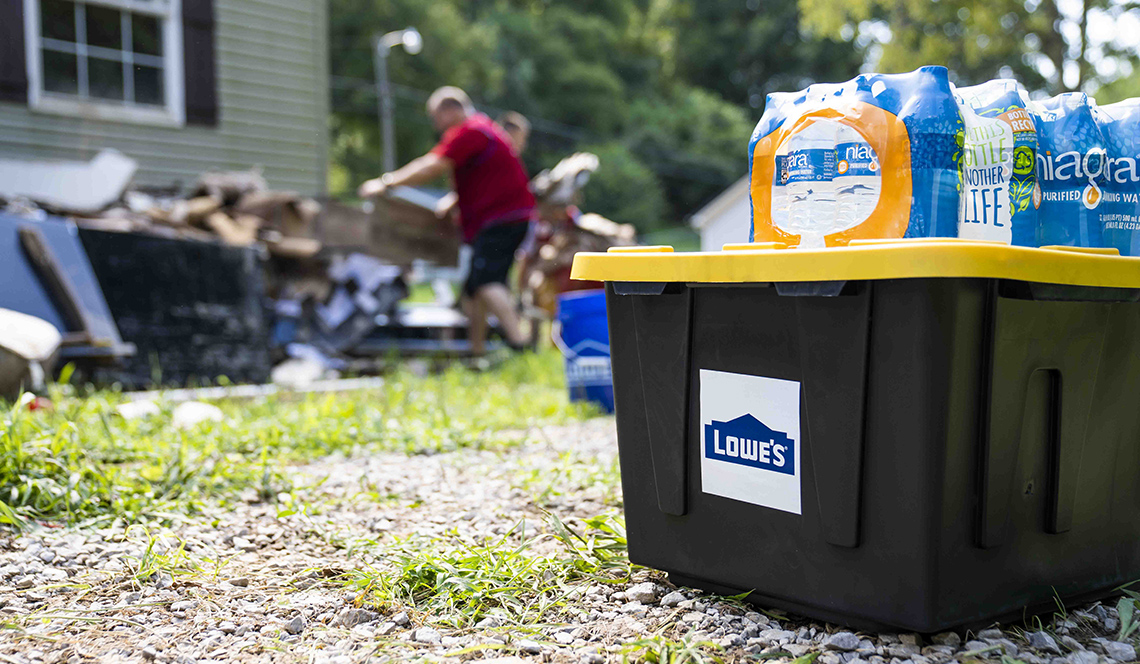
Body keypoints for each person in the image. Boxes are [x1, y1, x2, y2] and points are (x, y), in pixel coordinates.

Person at [358, 87, 534, 355]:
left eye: (435, 116)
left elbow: (433, 165)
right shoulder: (484, 129)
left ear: (450, 110)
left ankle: (520, 343)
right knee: (473, 289)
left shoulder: (469, 131)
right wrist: (454, 200)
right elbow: (484, 176)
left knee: (486, 281)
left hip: (502, 218)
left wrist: (386, 183)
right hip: (507, 216)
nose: (435, 124)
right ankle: (476, 352)